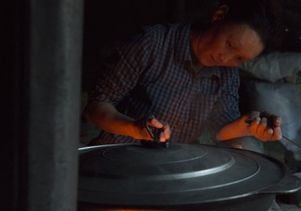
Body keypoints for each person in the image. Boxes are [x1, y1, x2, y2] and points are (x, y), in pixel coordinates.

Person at [84, 0, 283, 146]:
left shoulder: (226, 75)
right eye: (229, 44)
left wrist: (249, 126)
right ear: (219, 15)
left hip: (169, 171)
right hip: (116, 159)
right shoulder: (152, 44)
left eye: (239, 59)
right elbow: (96, 107)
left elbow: (219, 130)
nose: (225, 59)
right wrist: (134, 128)